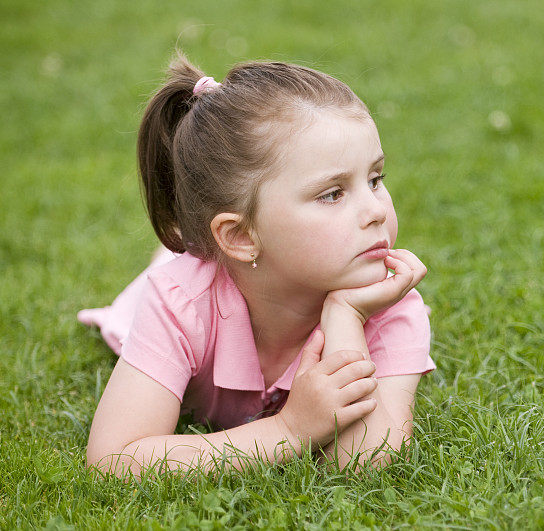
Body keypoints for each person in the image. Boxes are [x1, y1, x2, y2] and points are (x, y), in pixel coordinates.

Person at [78, 50, 435, 479]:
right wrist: (289, 430)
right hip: (199, 280)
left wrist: (347, 315)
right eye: (332, 194)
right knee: (176, 268)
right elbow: (113, 459)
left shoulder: (389, 304)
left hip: (238, 267)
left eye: (375, 179)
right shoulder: (180, 303)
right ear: (242, 236)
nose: (375, 210)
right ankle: (183, 249)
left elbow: (361, 461)